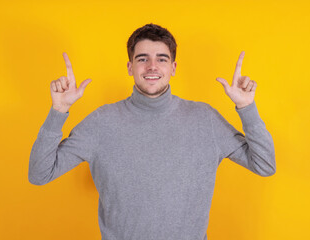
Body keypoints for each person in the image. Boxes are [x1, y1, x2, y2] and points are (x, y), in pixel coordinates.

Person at [29, 23, 276, 240]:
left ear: (174, 67)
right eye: (142, 58)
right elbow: (40, 173)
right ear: (129, 66)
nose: (152, 66)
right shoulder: (101, 122)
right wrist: (57, 112)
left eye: (162, 58)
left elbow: (265, 165)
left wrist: (247, 107)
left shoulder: (205, 119)